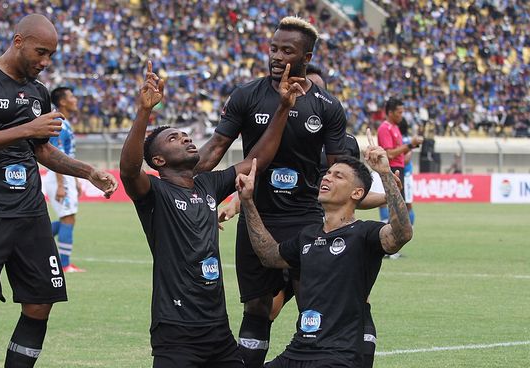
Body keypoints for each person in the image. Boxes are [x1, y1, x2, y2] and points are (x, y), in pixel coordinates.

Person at [0, 14, 118, 368]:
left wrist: (88, 172)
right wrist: (27, 128)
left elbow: (42, 150)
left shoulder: (37, 93)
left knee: (40, 303)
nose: (45, 62)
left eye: (51, 56)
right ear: (18, 41)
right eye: (40, 52)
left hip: (30, 210)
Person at [120, 61, 305, 368]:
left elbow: (257, 159)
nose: (186, 138)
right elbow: (128, 169)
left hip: (218, 331)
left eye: (185, 135)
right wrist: (144, 112)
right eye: (174, 139)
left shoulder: (208, 184)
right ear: (158, 160)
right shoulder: (155, 193)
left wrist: (283, 108)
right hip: (176, 330)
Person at [195, 17, 347, 367]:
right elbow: (216, 147)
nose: (277, 56)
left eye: (287, 51)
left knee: (311, 299)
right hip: (255, 212)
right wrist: (179, 177)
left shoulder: (327, 106)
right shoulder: (247, 95)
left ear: (306, 58)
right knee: (258, 305)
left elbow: (340, 168)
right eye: (273, 48)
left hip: (304, 217)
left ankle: (311, 359)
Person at [237, 131, 414, 368]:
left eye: (338, 176)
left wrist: (384, 173)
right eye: (328, 173)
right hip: (297, 351)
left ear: (357, 193)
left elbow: (402, 234)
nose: (327, 178)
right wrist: (248, 202)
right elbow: (269, 255)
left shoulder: (365, 234)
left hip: (338, 355)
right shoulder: (307, 236)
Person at [44, 87, 85, 273]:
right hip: (58, 176)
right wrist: (61, 184)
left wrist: (75, 179)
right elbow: (57, 156)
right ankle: (64, 264)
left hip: (65, 176)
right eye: (71, 97)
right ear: (62, 102)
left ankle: (35, 237)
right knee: (67, 218)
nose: (75, 99)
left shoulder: (64, 122)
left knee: (69, 218)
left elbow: (68, 155)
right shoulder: (58, 122)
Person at [377, 98, 422, 229]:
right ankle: (388, 237)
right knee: (396, 205)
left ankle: (394, 235)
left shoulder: (395, 128)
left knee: (399, 205)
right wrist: (410, 145)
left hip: (399, 168)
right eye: (399, 112)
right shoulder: (385, 128)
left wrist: (412, 146)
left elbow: (400, 152)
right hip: (392, 169)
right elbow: (389, 154)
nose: (401, 116)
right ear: (390, 113)